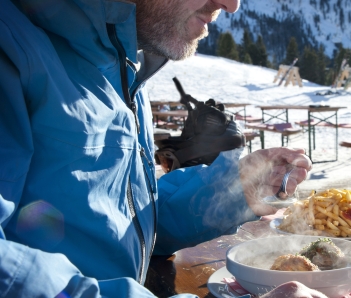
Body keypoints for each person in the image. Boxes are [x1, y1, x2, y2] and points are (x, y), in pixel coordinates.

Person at [0, 0, 320, 297]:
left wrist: (239, 188)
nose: (231, 5)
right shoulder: (11, 49)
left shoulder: (123, 69)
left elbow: (127, 216)